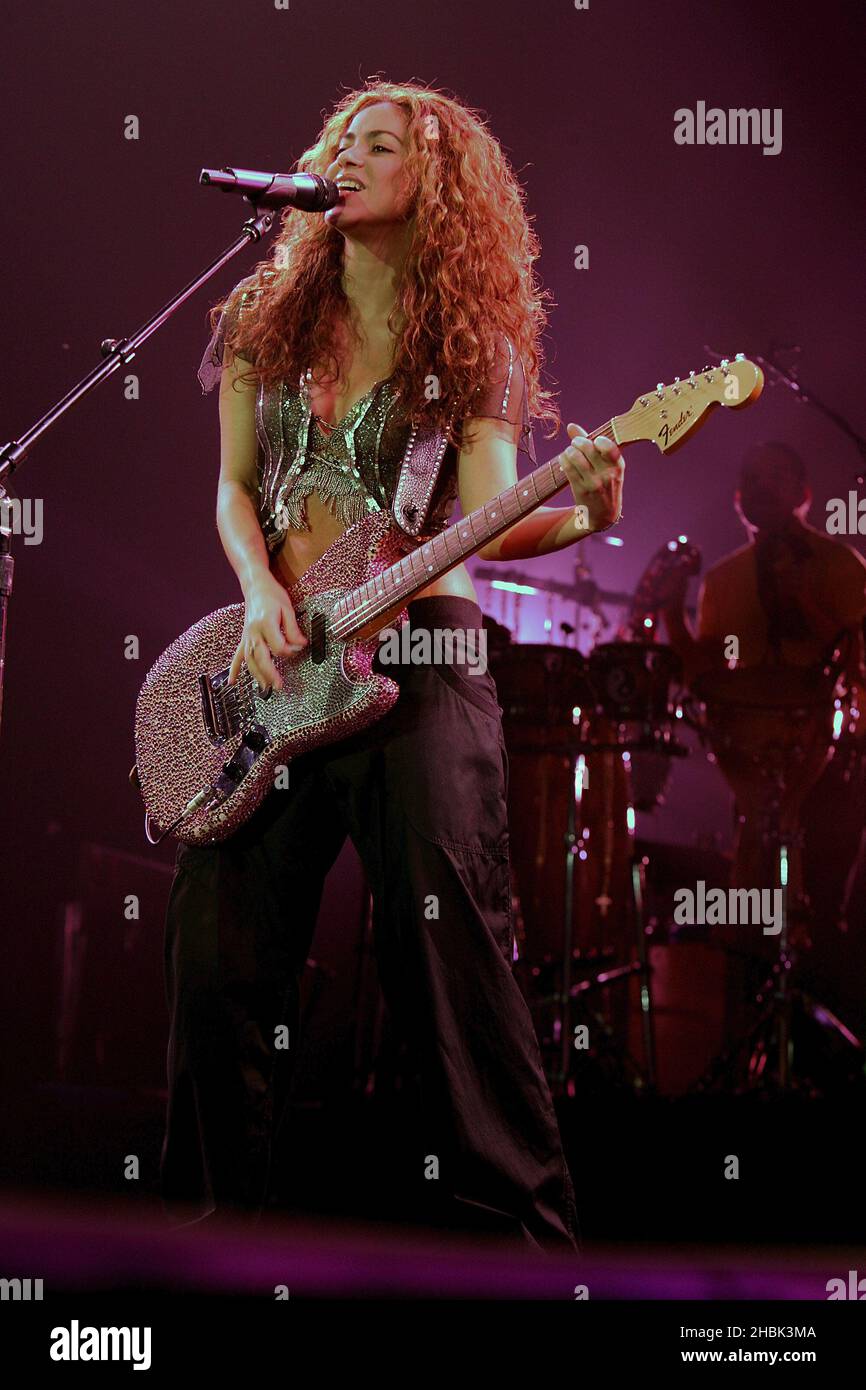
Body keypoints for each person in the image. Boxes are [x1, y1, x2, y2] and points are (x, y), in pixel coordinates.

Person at [160, 80, 624, 1253]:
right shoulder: (261, 317)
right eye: (341, 141)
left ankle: (525, 1252)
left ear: (439, 184)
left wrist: (575, 519)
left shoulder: (470, 338)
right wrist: (261, 590)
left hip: (419, 656)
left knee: (448, 965)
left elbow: (480, 513)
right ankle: (205, 1248)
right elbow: (230, 489)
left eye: (382, 144)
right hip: (277, 667)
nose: (351, 156)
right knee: (215, 956)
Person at [661, 442, 866, 1037]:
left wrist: (802, 598)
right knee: (755, 906)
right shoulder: (724, 578)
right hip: (753, 769)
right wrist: (672, 611)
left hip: (831, 768)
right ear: (737, 498)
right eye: (751, 478)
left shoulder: (841, 566)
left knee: (819, 911)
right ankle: (753, 1042)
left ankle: (819, 1046)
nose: (760, 488)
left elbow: (854, 658)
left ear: (803, 494)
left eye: (776, 477)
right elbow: (705, 670)